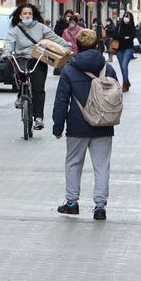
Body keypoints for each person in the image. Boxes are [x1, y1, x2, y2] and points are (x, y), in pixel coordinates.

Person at [53, 29, 118, 220]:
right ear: (97, 45)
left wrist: (58, 127)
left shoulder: (69, 69)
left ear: (77, 46)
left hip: (77, 125)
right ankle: (100, 206)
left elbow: (61, 101)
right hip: (104, 125)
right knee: (102, 166)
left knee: (73, 163)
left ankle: (72, 203)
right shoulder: (108, 69)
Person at [1, 3, 70, 130]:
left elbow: (54, 38)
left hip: (38, 58)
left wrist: (67, 46)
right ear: (20, 16)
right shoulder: (15, 30)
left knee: (38, 87)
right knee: (17, 72)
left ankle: (38, 118)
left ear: (33, 15)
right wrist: (6, 53)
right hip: (22, 58)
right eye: (25, 13)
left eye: (30, 13)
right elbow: (9, 43)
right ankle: (21, 95)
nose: (27, 16)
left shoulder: (41, 28)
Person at [113, 11, 137, 91]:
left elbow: (131, 37)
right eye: (125, 16)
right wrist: (125, 37)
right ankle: (127, 81)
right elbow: (115, 35)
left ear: (130, 18)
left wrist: (123, 38)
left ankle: (124, 84)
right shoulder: (119, 26)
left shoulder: (132, 27)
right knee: (122, 67)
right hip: (119, 49)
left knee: (124, 66)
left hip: (129, 49)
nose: (126, 18)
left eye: (128, 16)